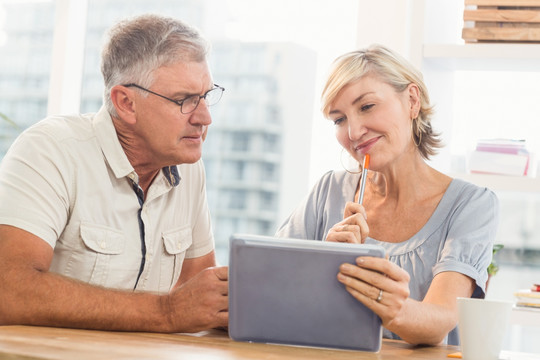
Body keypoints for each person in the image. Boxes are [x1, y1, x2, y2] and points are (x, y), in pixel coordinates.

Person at [0, 14, 228, 333]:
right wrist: (166, 312)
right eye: (184, 101)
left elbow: (199, 292)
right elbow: (8, 291)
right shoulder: (50, 150)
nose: (205, 118)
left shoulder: (188, 169)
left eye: (205, 97)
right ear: (126, 103)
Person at [276, 44, 499, 346]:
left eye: (366, 107)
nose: (353, 132)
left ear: (412, 100)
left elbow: (439, 321)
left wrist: (392, 306)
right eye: (339, 119)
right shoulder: (327, 191)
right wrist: (323, 266)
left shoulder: (471, 205)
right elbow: (272, 294)